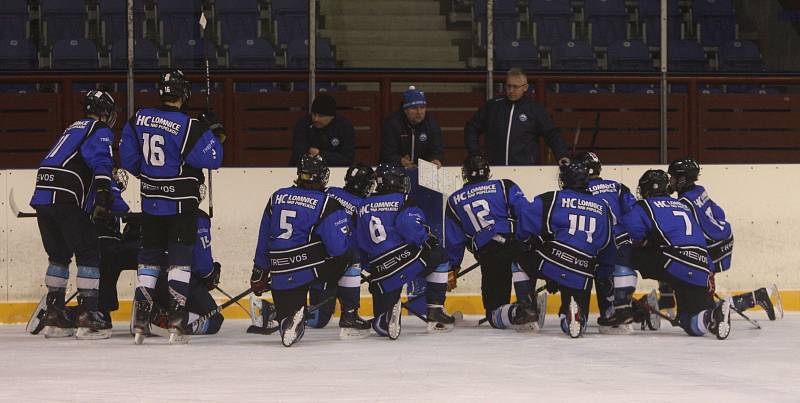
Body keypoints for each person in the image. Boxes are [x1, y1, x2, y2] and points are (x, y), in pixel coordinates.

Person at [120, 69, 225, 344]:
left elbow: (129, 159)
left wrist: (153, 177)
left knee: (149, 259)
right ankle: (178, 321)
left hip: (150, 202)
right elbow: (214, 158)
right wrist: (211, 129)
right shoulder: (189, 125)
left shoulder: (138, 118)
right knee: (180, 261)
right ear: (184, 94)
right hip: (180, 206)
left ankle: (142, 318)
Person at [29, 90, 116, 339]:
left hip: (43, 193)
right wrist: (102, 193)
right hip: (67, 194)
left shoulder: (72, 128)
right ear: (105, 112)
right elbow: (101, 161)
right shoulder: (99, 129)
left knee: (58, 255)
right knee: (88, 252)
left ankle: (55, 312)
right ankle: (88, 315)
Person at [249, 154, 355, 347]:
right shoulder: (327, 204)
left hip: (279, 270)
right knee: (349, 254)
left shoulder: (277, 196)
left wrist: (259, 270)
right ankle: (349, 313)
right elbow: (337, 248)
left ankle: (286, 316)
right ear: (322, 176)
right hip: (309, 271)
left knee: (286, 321)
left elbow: (264, 237)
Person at [623, 169, 732, 339]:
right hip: (701, 266)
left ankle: (619, 307)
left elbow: (633, 230)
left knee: (620, 253)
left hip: (675, 264)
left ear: (648, 188)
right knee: (689, 321)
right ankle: (711, 316)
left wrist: (645, 241)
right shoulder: (682, 204)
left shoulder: (644, 206)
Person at [668, 158, 780, 320]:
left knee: (706, 308)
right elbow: (718, 212)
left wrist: (706, 264)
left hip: (714, 245)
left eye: (672, 177)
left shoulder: (685, 202)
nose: (670, 180)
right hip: (723, 236)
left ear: (682, 179)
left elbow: (696, 236)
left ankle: (754, 298)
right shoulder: (699, 190)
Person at [517, 161, 615, 338]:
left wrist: (526, 242)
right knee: (575, 314)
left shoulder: (552, 198)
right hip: (583, 269)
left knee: (519, 257)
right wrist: (601, 274)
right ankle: (571, 317)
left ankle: (527, 307)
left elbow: (525, 220)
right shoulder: (603, 207)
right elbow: (607, 247)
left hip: (552, 260)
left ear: (564, 180)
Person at [355, 164, 454, 339]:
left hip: (380, 272)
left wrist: (367, 267)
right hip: (406, 262)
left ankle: (383, 319)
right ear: (395, 180)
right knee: (440, 254)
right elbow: (407, 225)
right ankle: (435, 310)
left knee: (383, 327)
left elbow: (359, 242)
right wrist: (426, 238)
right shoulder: (403, 200)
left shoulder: (363, 205)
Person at [444, 155, 539, 331]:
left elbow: (454, 240)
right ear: (487, 172)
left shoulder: (454, 200)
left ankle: (515, 312)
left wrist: (452, 267)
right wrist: (529, 238)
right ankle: (527, 303)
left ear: (465, 174)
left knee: (495, 313)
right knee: (523, 263)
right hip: (516, 243)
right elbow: (526, 212)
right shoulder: (504, 185)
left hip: (489, 253)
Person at [301, 163, 374, 339]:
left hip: (314, 257)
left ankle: (288, 310)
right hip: (339, 261)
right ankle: (350, 314)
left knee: (319, 320)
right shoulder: (363, 205)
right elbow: (363, 240)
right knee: (354, 260)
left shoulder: (331, 192)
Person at [574, 151, 640, 333]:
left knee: (596, 275)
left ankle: (585, 311)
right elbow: (633, 213)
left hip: (593, 243)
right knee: (611, 277)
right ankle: (618, 310)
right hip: (621, 241)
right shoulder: (617, 186)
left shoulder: (578, 189)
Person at [464, 67, 569, 166]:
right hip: (495, 169)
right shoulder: (493, 107)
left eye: (515, 86)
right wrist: (475, 154)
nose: (511, 90)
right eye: (508, 86)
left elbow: (552, 133)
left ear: (525, 87)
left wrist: (562, 155)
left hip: (525, 170)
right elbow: (471, 127)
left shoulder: (535, 109)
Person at [380, 86, 443, 168]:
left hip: (423, 172)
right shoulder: (392, 124)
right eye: (414, 108)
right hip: (396, 171)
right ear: (405, 110)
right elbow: (386, 153)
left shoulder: (432, 124)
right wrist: (400, 160)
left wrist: (435, 159)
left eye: (422, 107)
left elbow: (436, 149)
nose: (419, 112)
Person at [290, 94, 356, 167]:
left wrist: (320, 154)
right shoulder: (303, 124)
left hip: (336, 171)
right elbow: (298, 156)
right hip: (306, 170)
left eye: (321, 116)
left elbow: (347, 159)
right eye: (314, 114)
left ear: (332, 117)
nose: (316, 119)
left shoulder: (344, 127)